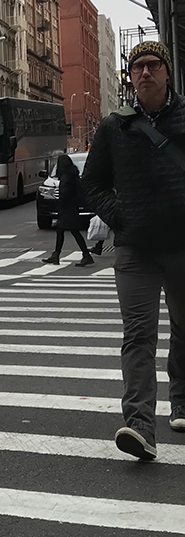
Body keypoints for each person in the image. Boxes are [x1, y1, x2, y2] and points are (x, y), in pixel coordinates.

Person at [82, 39, 185, 461]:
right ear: (131, 77)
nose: (145, 72)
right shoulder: (114, 126)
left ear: (166, 72)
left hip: (182, 244)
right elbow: (92, 184)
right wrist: (119, 214)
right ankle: (140, 424)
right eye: (137, 66)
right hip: (135, 248)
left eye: (152, 65)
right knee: (138, 336)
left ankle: (182, 401)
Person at [41, 154, 93, 267]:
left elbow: (64, 194)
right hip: (72, 208)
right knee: (63, 231)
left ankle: (86, 255)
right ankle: (57, 255)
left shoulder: (65, 178)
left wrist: (59, 204)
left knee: (72, 231)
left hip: (67, 209)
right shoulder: (73, 175)